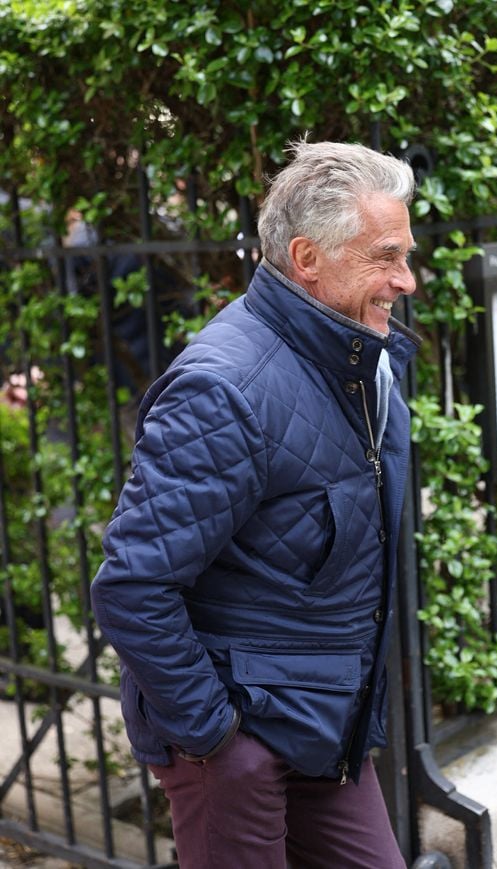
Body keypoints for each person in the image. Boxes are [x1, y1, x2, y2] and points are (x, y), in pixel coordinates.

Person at [90, 140, 420, 869]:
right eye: (386, 256)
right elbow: (133, 588)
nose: (407, 280)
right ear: (308, 258)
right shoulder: (225, 387)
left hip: (325, 722)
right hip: (236, 744)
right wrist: (217, 740)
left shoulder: (368, 361)